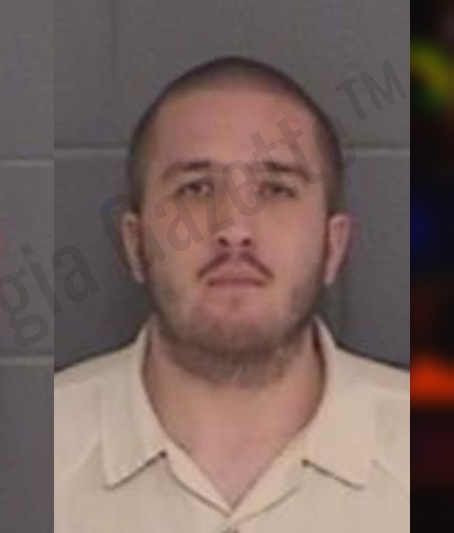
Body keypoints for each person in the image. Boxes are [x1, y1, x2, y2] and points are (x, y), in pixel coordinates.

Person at [55, 57, 409, 533]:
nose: (234, 228)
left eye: (276, 189)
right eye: (196, 189)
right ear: (135, 245)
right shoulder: (49, 450)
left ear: (333, 245)